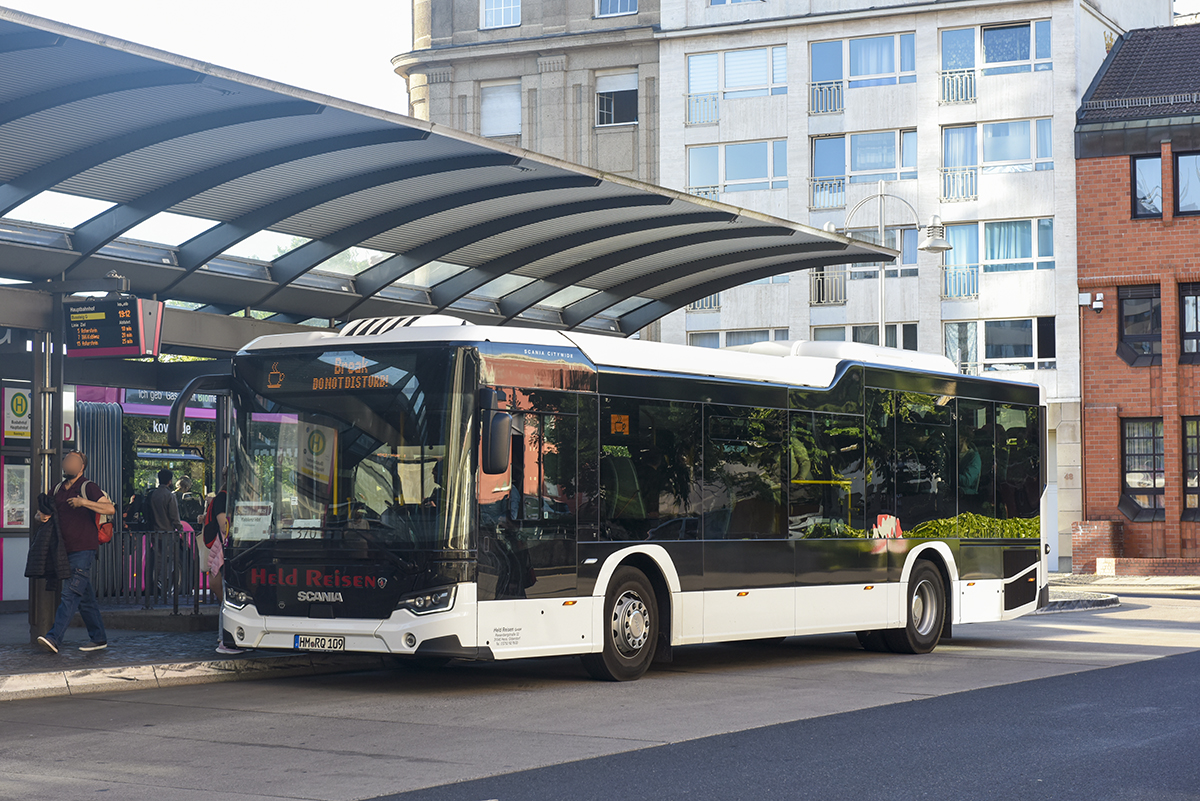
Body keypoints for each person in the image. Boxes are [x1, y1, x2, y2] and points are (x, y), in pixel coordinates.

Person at [35, 450, 114, 654]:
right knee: (85, 597)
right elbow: (41, 512)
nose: (68, 464)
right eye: (66, 460)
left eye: (73, 461)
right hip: (63, 550)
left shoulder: (88, 486)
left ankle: (54, 638)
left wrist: (83, 502)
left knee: (70, 594)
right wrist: (41, 517)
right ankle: (99, 638)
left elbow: (110, 509)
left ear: (81, 467)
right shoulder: (57, 489)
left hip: (83, 549)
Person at [203, 469, 244, 655]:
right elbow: (224, 525)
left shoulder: (224, 496)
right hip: (226, 549)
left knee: (227, 598)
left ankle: (225, 639)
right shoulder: (224, 498)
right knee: (228, 599)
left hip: (224, 549)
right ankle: (225, 640)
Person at [148, 469, 182, 533]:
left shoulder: (152, 494)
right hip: (167, 533)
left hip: (153, 533)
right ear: (169, 481)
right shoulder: (170, 495)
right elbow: (174, 516)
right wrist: (180, 529)